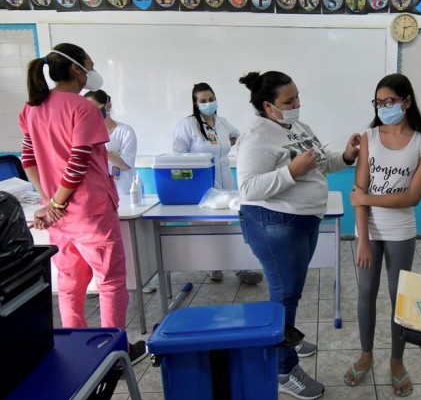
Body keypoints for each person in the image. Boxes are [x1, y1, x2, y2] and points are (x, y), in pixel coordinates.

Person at [235, 70, 360, 400]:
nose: (296, 104)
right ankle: (283, 369)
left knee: (292, 291)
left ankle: (286, 334)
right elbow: (248, 188)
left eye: (297, 97)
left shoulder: (299, 129)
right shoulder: (257, 135)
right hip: (274, 222)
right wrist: (292, 171)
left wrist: (346, 156)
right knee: (284, 294)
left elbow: (320, 163)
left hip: (303, 221)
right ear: (268, 105)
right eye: (288, 101)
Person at [19, 43, 146, 362]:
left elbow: (28, 158)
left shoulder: (32, 108)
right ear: (77, 69)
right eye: (90, 65)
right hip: (91, 214)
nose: (92, 71)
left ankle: (75, 349)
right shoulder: (84, 108)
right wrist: (56, 203)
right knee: (111, 282)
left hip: (62, 220)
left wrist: (50, 202)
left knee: (70, 283)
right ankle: (115, 353)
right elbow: (78, 162)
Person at [345, 73, 421, 396]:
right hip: (368, 230)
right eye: (379, 102)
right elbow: (358, 187)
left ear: (406, 102)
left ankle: (397, 360)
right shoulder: (369, 136)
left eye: (390, 102)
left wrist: (366, 199)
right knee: (366, 293)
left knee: (400, 299)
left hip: (401, 231)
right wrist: (364, 240)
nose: (383, 107)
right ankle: (366, 354)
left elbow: (412, 197)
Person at [172, 82, 263, 286]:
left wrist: (222, 145)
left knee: (233, 224)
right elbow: (178, 156)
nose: (208, 103)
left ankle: (240, 266)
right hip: (203, 185)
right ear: (196, 104)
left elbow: (237, 136)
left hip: (226, 183)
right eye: (203, 101)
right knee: (208, 227)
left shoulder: (222, 123)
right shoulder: (187, 125)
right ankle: (213, 265)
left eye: (211, 99)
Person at [83, 90, 137, 195]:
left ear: (108, 106)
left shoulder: (125, 131)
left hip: (121, 191)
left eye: (94, 108)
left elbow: (126, 164)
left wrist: (100, 149)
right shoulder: (84, 133)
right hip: (95, 192)